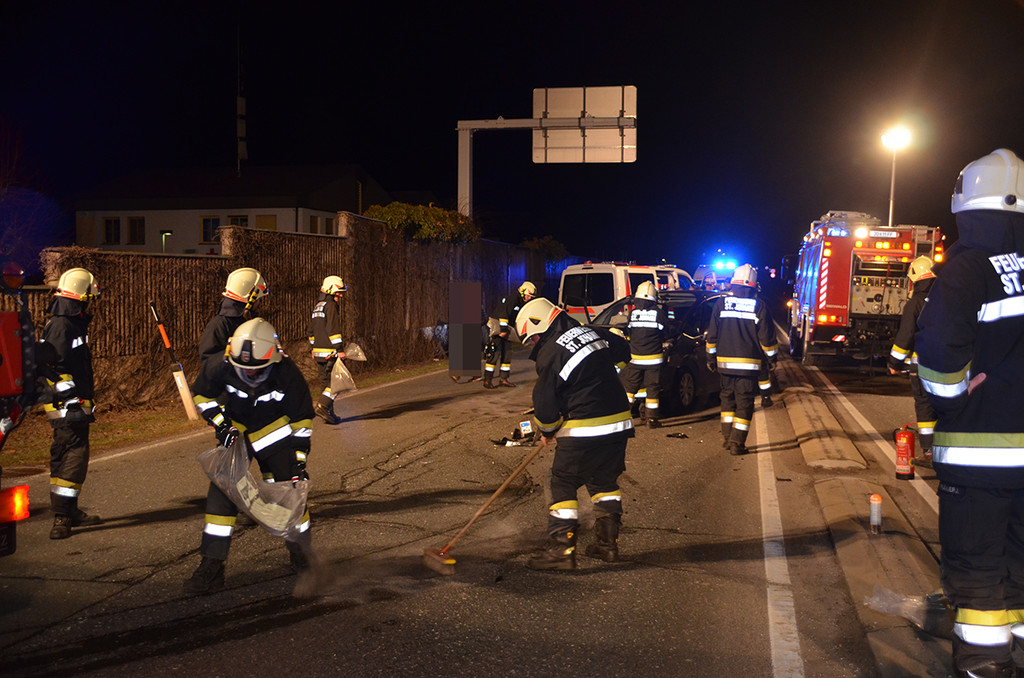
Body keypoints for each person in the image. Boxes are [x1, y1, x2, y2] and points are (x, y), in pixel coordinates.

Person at [915, 148, 1024, 677]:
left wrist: (955, 394)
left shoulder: (968, 269)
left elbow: (937, 357)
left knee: (979, 566)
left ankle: (985, 664)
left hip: (982, 455)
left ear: (965, 204)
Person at [185, 318, 315, 594]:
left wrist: (299, 464)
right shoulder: (221, 363)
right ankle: (211, 567)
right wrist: (221, 424)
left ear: (273, 359)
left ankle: (302, 555)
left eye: (257, 372)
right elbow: (202, 395)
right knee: (221, 494)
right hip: (238, 433)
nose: (250, 376)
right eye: (244, 371)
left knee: (291, 494)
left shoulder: (288, 373)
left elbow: (301, 421)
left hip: (275, 435)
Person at [515, 297, 634, 570]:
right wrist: (605, 376)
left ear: (542, 325)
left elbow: (544, 402)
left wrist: (547, 429)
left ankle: (562, 551)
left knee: (561, 482)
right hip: (619, 423)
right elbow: (623, 351)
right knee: (604, 481)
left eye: (533, 339)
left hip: (586, 426)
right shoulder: (592, 331)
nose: (534, 345)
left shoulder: (550, 352)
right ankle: (607, 546)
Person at [42, 267, 102, 539]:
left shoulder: (69, 322)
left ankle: (69, 510)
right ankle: (63, 517)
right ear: (81, 294)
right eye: (90, 295)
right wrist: (73, 402)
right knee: (74, 457)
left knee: (65, 454)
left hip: (70, 404)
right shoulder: (63, 325)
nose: (92, 300)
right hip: (69, 406)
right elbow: (55, 368)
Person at [705, 264, 778, 456]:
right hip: (748, 367)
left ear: (732, 284)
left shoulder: (721, 304)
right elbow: (767, 339)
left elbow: (712, 335)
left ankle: (727, 438)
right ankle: (737, 442)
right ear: (754, 286)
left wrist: (710, 358)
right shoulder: (759, 306)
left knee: (727, 401)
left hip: (724, 365)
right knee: (744, 404)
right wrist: (772, 359)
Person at [887, 256, 938, 466]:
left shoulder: (914, 304)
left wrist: (894, 364)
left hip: (924, 364)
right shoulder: (949, 298)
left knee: (925, 405)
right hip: (953, 363)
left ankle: (930, 453)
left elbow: (905, 336)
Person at [197, 267, 269, 365]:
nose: (259, 303)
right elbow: (209, 363)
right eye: (258, 299)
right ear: (250, 297)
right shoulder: (219, 326)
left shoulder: (249, 322)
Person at [623, 280, 668, 428]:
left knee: (630, 388)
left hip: (635, 358)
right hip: (654, 359)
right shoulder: (659, 314)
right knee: (652, 389)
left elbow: (629, 332)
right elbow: (666, 334)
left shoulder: (633, 313)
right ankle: (651, 420)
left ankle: (623, 418)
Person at [308, 275, 347, 424]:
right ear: (331, 290)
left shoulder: (318, 306)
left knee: (326, 384)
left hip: (318, 353)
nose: (341, 295)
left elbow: (311, 331)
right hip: (330, 352)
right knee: (337, 383)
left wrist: (313, 347)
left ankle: (329, 414)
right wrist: (339, 349)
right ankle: (323, 406)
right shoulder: (330, 306)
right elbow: (333, 330)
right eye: (339, 292)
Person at [484, 281, 536, 388]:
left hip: (507, 330)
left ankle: (503, 379)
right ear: (523, 292)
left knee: (507, 355)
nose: (529, 298)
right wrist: (503, 330)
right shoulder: (512, 299)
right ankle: (487, 380)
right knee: (495, 355)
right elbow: (503, 314)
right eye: (528, 295)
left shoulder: (520, 301)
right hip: (499, 330)